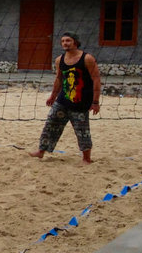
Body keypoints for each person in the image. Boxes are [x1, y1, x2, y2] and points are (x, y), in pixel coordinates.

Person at [29, 31, 101, 164]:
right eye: (63, 41)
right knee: (51, 124)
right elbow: (58, 79)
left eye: (68, 40)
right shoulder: (59, 60)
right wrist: (52, 96)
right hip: (62, 101)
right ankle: (41, 151)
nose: (65, 43)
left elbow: (96, 80)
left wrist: (95, 102)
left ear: (75, 42)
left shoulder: (87, 58)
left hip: (81, 102)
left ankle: (86, 158)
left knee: (82, 131)